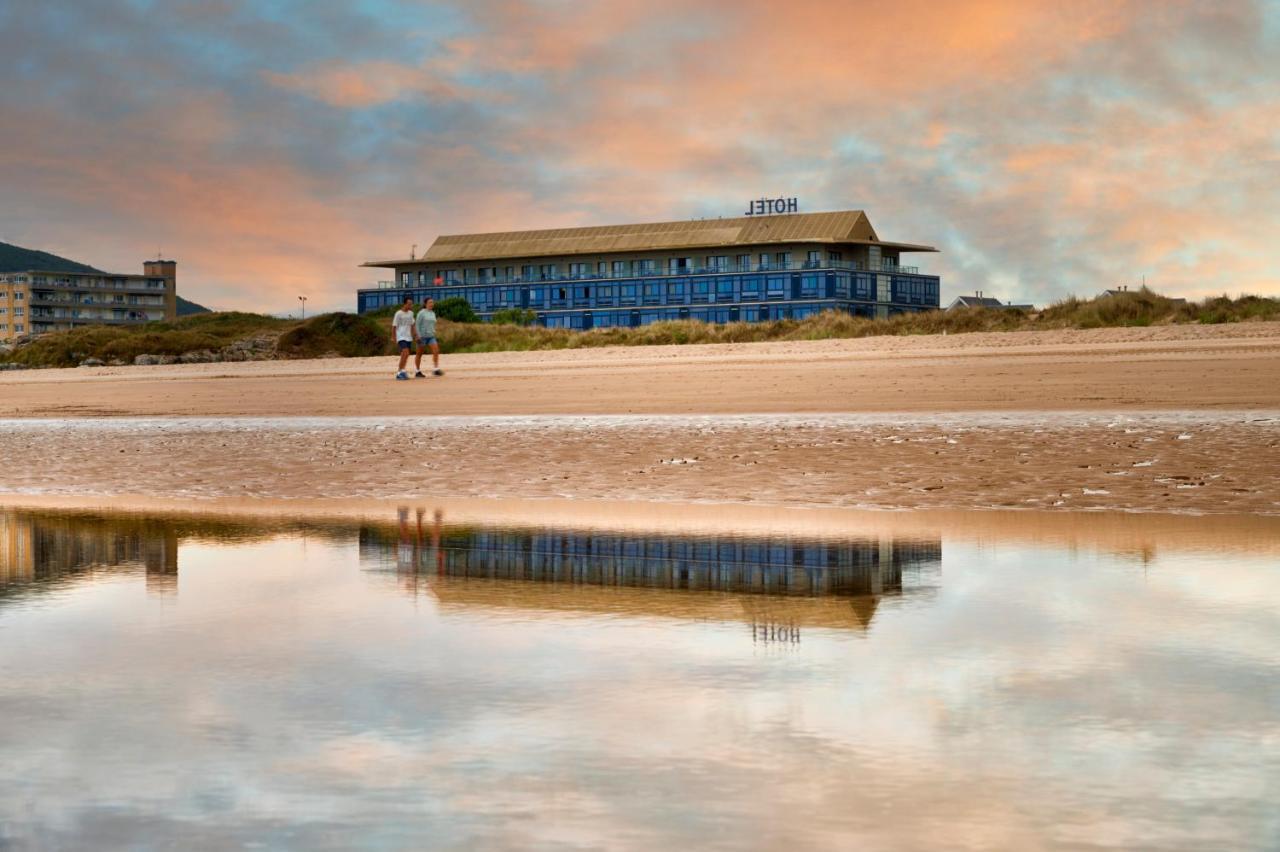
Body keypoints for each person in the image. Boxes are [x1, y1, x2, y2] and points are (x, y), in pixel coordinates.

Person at [414, 297, 443, 378]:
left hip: (431, 336)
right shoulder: (421, 313)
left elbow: (433, 324)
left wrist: (434, 331)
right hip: (422, 337)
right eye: (430, 302)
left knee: (436, 351)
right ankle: (417, 371)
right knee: (419, 354)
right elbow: (417, 325)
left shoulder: (433, 313)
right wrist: (417, 336)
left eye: (432, 302)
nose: (432, 304)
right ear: (425, 304)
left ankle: (436, 369)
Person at [391, 296, 416, 380]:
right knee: (405, 352)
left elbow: (412, 325)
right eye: (409, 304)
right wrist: (393, 337)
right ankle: (399, 373)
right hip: (400, 336)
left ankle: (402, 371)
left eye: (411, 304)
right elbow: (394, 326)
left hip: (409, 337)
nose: (410, 305)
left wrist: (415, 335)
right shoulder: (398, 313)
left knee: (405, 355)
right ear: (404, 304)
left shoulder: (411, 313)